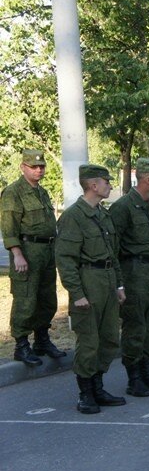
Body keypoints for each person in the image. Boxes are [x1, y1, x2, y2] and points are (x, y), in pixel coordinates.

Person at [55, 164, 126, 414]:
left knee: (108, 338)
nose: (110, 186)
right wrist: (77, 294)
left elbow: (112, 253)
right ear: (93, 185)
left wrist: (118, 284)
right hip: (88, 281)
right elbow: (65, 259)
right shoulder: (74, 216)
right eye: (106, 182)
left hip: (106, 281)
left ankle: (98, 386)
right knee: (89, 341)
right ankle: (85, 392)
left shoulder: (102, 215)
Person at [110, 158, 149, 396]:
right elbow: (112, 248)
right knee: (135, 325)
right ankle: (134, 376)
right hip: (134, 272)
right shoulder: (123, 207)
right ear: (147, 178)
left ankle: (148, 370)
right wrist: (118, 283)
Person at [1, 149, 65, 366]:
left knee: (47, 298)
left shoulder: (42, 192)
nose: (38, 170)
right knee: (26, 299)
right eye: (33, 166)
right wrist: (17, 254)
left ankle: (42, 340)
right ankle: (21, 345)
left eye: (41, 166)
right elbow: (9, 228)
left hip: (47, 252)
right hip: (27, 251)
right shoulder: (13, 192)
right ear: (23, 167)